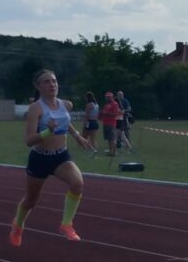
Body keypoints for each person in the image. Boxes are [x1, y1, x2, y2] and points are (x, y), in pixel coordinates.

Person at [9, 69, 94, 245]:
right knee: (31, 200)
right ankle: (18, 225)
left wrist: (77, 136)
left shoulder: (66, 105)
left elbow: (65, 121)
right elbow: (29, 141)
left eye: (54, 81)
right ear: (38, 86)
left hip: (60, 156)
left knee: (77, 183)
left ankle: (66, 224)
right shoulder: (35, 108)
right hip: (40, 158)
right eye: (46, 82)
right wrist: (48, 131)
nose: (52, 85)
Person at [99, 91, 121, 156]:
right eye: (106, 97)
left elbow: (115, 114)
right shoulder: (106, 104)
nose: (107, 98)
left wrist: (106, 113)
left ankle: (114, 152)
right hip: (105, 123)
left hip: (111, 123)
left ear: (112, 97)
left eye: (109, 97)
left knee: (112, 138)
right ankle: (110, 150)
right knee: (109, 138)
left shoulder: (115, 104)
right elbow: (103, 112)